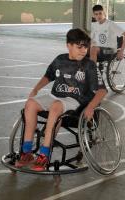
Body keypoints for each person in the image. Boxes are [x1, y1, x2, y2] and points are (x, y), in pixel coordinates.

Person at [15, 28, 107, 171]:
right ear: (69, 45)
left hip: (74, 100)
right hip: (55, 96)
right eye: (79, 47)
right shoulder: (60, 60)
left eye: (85, 47)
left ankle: (44, 155)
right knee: (31, 104)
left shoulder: (89, 65)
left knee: (56, 107)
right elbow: (48, 76)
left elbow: (102, 90)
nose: (83, 50)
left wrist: (91, 107)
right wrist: (36, 88)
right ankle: (26, 152)